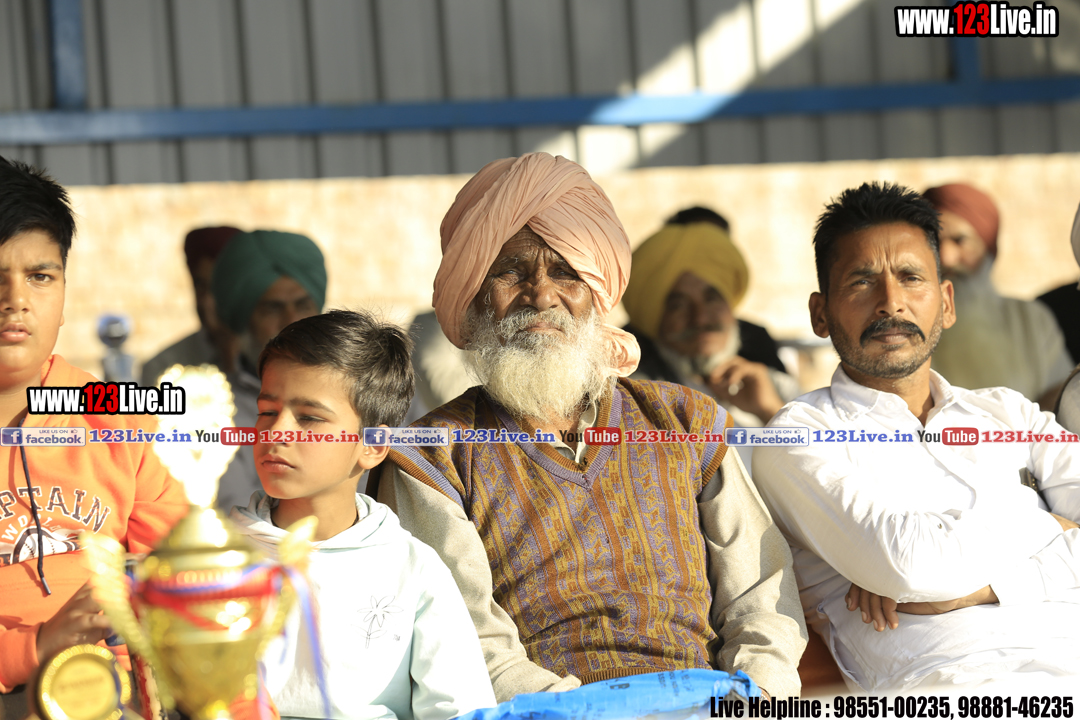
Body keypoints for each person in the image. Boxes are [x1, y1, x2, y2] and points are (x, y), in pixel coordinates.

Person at [373, 153, 806, 702]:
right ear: (476, 296)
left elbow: (762, 596)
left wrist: (754, 696)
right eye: (511, 271)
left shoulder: (685, 421)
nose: (540, 295)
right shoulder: (432, 456)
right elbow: (467, 639)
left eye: (565, 273)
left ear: (596, 294)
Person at [753, 181, 1080, 692]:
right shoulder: (799, 437)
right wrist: (1050, 522)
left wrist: (979, 590)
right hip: (955, 688)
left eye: (910, 278)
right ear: (820, 314)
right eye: (862, 281)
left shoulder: (1011, 413)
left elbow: (917, 568)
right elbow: (908, 565)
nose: (891, 303)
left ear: (946, 302)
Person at [231, 310, 495, 720]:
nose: (277, 431)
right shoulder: (219, 558)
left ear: (372, 445)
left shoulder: (413, 570)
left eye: (309, 418)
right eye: (267, 412)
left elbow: (459, 709)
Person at [0, 157, 188, 711]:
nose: (17, 299)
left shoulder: (114, 415)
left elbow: (181, 580)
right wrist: (34, 646)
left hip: (116, 695)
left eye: (40, 276)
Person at [621, 211, 800, 466]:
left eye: (712, 299)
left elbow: (818, 471)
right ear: (656, 319)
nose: (700, 318)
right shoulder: (629, 399)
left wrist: (770, 410)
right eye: (679, 305)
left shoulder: (776, 387)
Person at [925, 183, 1072, 408]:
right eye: (934, 241)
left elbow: (1062, 396)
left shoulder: (1030, 319)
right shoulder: (905, 325)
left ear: (986, 245)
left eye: (960, 240)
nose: (946, 258)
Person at [210, 230, 325, 512]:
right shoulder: (214, 410)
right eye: (273, 309)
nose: (292, 321)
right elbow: (235, 515)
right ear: (245, 320)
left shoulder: (368, 387)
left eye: (302, 305)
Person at [141, 226, 241, 385]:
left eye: (220, 287)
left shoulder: (272, 358)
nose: (207, 302)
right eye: (201, 287)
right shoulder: (163, 369)